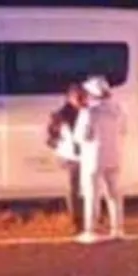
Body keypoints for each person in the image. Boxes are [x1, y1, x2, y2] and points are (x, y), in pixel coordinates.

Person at [75, 75, 128, 243]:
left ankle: (91, 230)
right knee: (114, 193)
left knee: (92, 193)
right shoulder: (118, 109)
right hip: (114, 155)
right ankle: (117, 229)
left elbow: (82, 135)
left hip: (93, 157)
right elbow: (124, 130)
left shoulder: (89, 111)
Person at [45, 83, 86, 234]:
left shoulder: (84, 113)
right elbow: (50, 139)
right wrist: (61, 145)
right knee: (75, 188)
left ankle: (84, 218)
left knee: (83, 188)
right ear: (69, 98)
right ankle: (78, 220)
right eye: (78, 97)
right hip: (71, 156)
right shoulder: (61, 115)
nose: (81, 100)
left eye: (82, 97)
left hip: (82, 155)